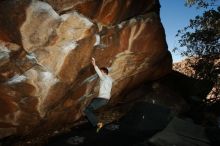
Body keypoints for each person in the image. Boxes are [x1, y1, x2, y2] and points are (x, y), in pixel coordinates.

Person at [84, 57, 113, 132]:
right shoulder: (109, 79)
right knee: (92, 101)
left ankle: (98, 123)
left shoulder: (105, 77)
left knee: (87, 110)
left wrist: (94, 65)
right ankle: (94, 119)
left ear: (104, 72)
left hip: (102, 99)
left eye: (101, 72)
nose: (100, 73)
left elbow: (100, 74)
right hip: (103, 99)